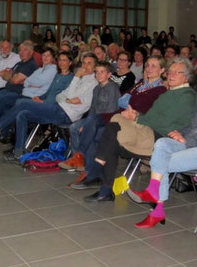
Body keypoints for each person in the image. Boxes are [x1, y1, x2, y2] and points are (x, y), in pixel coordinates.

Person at [126, 68, 197, 227]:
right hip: (192, 144)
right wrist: (179, 133)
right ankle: (153, 191)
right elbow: (192, 127)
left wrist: (186, 139)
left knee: (160, 162)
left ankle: (156, 208)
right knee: (162, 144)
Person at [84, 58, 197, 202]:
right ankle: (104, 188)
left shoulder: (187, 95)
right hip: (148, 130)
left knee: (113, 128)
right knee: (113, 130)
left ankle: (98, 176)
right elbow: (151, 117)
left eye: (177, 72)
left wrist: (137, 118)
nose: (171, 75)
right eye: (170, 72)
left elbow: (163, 123)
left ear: (186, 76)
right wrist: (137, 116)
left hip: (160, 138)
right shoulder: (169, 93)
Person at [68, 55, 168, 188]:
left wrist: (132, 106)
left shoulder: (160, 90)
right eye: (148, 65)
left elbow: (141, 106)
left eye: (154, 66)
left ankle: (87, 166)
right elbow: (122, 100)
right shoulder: (141, 84)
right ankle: (88, 169)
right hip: (119, 114)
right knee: (91, 125)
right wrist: (130, 101)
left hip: (132, 122)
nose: (149, 68)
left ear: (162, 70)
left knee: (93, 130)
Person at [0, 53, 97, 163]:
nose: (85, 66)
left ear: (95, 66)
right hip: (57, 108)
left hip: (65, 114)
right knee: (22, 114)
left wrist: (75, 81)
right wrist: (67, 99)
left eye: (89, 63)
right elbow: (61, 95)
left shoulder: (92, 83)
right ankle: (18, 153)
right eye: (84, 62)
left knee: (22, 103)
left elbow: (70, 95)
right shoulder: (80, 78)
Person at [0, 52, 75, 142]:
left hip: (53, 107)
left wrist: (43, 101)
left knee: (21, 103)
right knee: (8, 105)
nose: (61, 62)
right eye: (60, 60)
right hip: (40, 100)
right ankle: (3, 136)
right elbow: (47, 91)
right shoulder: (57, 74)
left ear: (70, 62)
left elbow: (60, 96)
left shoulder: (69, 77)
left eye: (65, 60)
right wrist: (40, 97)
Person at [58, 61, 120, 171]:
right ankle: (79, 161)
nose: (99, 75)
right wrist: (87, 122)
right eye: (97, 72)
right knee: (74, 127)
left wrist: (88, 124)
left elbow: (111, 111)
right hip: (95, 118)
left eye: (102, 72)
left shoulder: (112, 87)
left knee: (90, 128)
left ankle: (79, 156)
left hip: (108, 120)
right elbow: (92, 109)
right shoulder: (96, 88)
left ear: (109, 74)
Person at [0, 48, 57, 130]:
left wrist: (30, 83)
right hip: (24, 94)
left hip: (33, 98)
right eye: (44, 55)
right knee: (4, 100)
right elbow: (27, 82)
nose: (45, 57)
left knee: (12, 105)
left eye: (48, 56)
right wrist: (30, 83)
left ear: (52, 58)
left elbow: (37, 82)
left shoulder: (53, 70)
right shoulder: (39, 69)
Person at [0, 41, 39, 121]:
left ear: (31, 52)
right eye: (20, 50)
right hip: (7, 89)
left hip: (17, 93)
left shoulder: (30, 65)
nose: (21, 52)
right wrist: (13, 77)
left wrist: (13, 78)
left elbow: (14, 80)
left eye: (25, 50)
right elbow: (5, 76)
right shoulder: (19, 63)